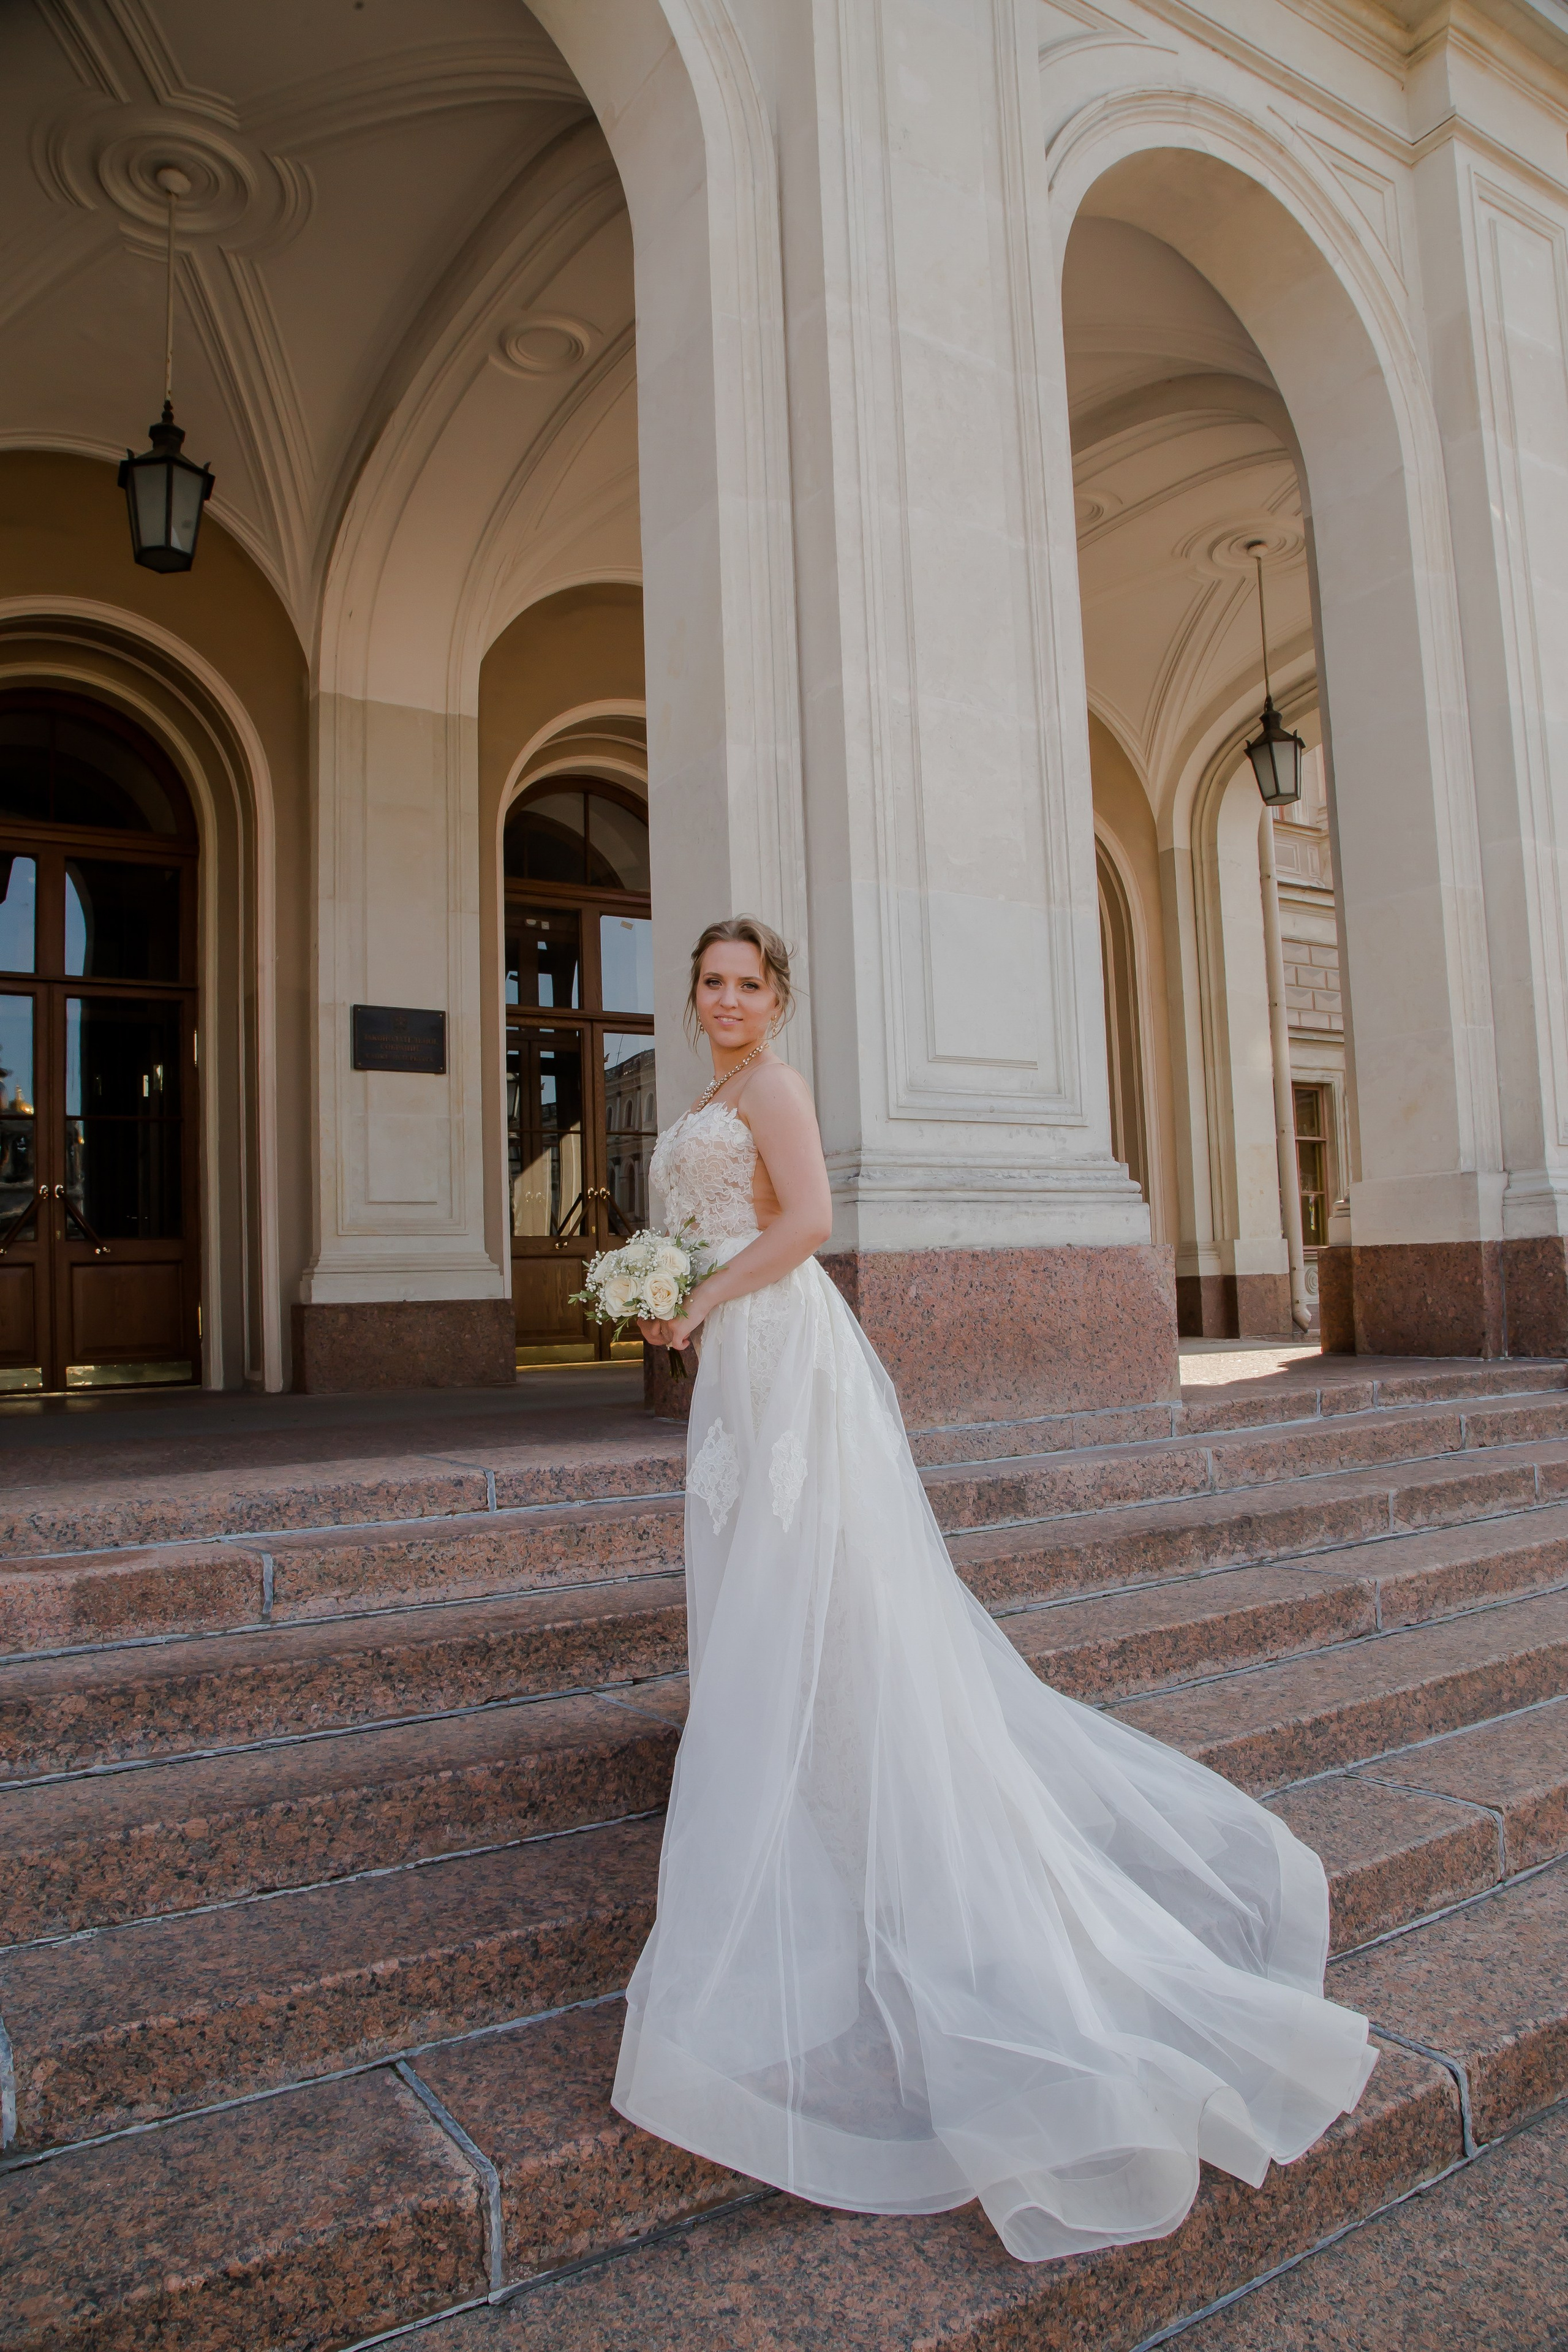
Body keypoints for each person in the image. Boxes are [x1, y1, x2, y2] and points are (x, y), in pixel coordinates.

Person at [619, 914, 1374, 2263]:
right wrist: (672, 1297)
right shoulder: (711, 1096)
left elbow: (808, 1223)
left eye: (747, 984)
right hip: (734, 1361)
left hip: (785, 1352)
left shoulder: (776, 1090)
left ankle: (846, 1804)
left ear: (777, 999)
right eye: (710, 985)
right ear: (694, 1001)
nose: (727, 1001)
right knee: (763, 1588)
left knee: (817, 1585)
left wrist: (703, 1296)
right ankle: (804, 1782)